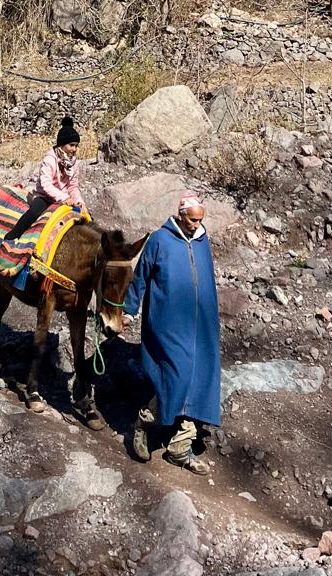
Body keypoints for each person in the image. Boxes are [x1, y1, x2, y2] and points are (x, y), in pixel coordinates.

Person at [123, 192, 221, 473]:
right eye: (192, 219)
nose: (195, 224)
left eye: (200, 220)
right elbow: (140, 276)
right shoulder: (160, 240)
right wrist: (130, 310)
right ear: (180, 215)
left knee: (201, 379)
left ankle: (180, 447)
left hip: (200, 325)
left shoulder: (203, 242)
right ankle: (143, 422)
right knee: (176, 376)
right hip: (167, 322)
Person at [3, 116, 84, 242]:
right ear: (62, 145)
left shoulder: (74, 164)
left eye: (76, 146)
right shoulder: (49, 160)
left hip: (65, 198)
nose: (74, 149)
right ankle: (10, 238)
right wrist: (65, 198)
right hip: (45, 197)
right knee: (34, 214)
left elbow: (73, 186)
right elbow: (46, 185)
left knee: (83, 219)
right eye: (71, 145)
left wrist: (80, 203)